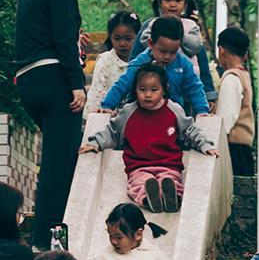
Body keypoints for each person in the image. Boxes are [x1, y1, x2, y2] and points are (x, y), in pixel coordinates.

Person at [13, 0, 108, 250]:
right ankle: (48, 240)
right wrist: (76, 85)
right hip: (55, 81)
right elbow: (64, 41)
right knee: (61, 162)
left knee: (52, 159)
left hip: (29, 81)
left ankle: (44, 234)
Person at [80, 61, 216, 214]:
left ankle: (172, 196)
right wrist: (96, 143)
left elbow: (189, 131)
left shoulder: (173, 110)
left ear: (164, 90)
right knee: (140, 183)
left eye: (154, 89)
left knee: (171, 179)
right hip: (139, 166)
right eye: (142, 89)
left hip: (169, 165)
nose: (148, 94)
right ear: (135, 90)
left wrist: (205, 144)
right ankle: (149, 197)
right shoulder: (129, 112)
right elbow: (113, 132)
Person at [100, 17, 208, 120]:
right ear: (150, 44)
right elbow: (122, 85)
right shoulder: (140, 63)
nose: (167, 57)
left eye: (173, 52)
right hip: (141, 115)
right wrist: (107, 105)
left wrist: (202, 110)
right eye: (163, 51)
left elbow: (195, 88)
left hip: (173, 117)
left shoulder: (183, 64)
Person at [130, 0, 216, 101]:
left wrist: (209, 94)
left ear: (185, 3)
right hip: (152, 94)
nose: (172, 5)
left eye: (178, 0)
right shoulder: (150, 25)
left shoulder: (190, 27)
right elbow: (135, 57)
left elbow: (201, 60)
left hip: (187, 93)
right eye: (168, 0)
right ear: (159, 1)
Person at [215, 26, 255, 178]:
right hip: (243, 147)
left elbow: (225, 121)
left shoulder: (231, 79)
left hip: (233, 149)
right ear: (245, 55)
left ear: (221, 50)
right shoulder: (244, 76)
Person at [86, 10, 142, 112]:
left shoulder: (143, 61)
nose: (122, 44)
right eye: (117, 39)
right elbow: (98, 94)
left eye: (128, 39)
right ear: (110, 37)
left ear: (138, 37)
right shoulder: (105, 61)